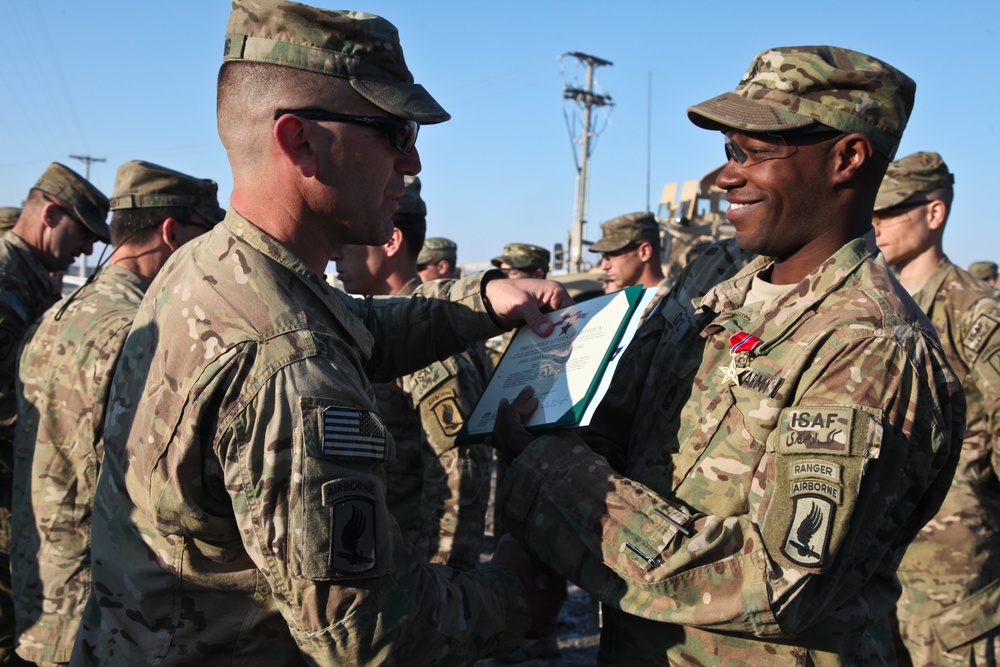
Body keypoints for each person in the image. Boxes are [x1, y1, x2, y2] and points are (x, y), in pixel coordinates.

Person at [71, 2, 568, 665]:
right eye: (393, 131)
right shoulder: (288, 365)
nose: (412, 162)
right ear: (299, 141)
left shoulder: (215, 266)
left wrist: (481, 300)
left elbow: (359, 324)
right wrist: (514, 591)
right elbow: (369, 634)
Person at [489, 45, 965, 664]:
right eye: (727, 151)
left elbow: (778, 584)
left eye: (755, 153)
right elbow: (625, 440)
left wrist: (552, 474)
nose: (726, 177)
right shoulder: (718, 303)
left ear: (847, 157)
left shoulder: (868, 347)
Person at [10, 160, 223, 666]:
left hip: (43, 600)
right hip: (99, 618)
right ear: (171, 234)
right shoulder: (140, 335)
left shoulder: (61, 313)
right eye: (206, 235)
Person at [872, 151, 1000, 665]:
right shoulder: (879, 304)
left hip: (954, 573)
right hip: (882, 560)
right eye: (872, 214)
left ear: (934, 213)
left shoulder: (973, 311)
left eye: (890, 212)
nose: (876, 225)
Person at [332, 176, 493, 571]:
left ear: (391, 242)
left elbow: (461, 474)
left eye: (349, 240)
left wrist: (443, 582)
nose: (337, 253)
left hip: (417, 574)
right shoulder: (381, 329)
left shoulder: (427, 345)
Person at [0, 162, 108, 666]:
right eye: (83, 233)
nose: (87, 250)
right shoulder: (5, 274)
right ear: (50, 213)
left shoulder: (35, 278)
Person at [588, 211, 665, 291]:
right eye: (604, 256)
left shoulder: (672, 302)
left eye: (612, 254)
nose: (604, 266)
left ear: (645, 252)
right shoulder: (623, 302)